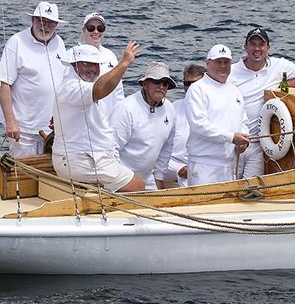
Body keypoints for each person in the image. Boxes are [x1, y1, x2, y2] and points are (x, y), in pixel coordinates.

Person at [51, 42, 145, 192]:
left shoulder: (76, 86)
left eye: (96, 65)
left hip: (82, 158)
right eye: (86, 64)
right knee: (137, 185)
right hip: (80, 160)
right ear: (74, 65)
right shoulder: (73, 87)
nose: (93, 69)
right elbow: (100, 89)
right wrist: (124, 63)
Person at [229, 27, 295, 179]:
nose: (257, 49)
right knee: (227, 184)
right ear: (245, 47)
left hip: (258, 144)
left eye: (261, 44)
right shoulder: (232, 71)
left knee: (250, 188)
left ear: (268, 48)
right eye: (252, 44)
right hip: (233, 142)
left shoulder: (279, 66)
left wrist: (282, 85)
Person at [0, 1, 69, 157]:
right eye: (41, 21)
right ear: (33, 20)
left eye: (51, 23)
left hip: (53, 129)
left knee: (49, 176)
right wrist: (10, 123)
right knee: (23, 175)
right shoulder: (16, 42)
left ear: (56, 25)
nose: (46, 26)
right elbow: (4, 84)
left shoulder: (59, 43)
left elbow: (64, 83)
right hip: (23, 129)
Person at [185, 45, 249, 186]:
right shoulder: (197, 89)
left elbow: (243, 121)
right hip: (204, 166)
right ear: (208, 63)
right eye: (218, 62)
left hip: (230, 165)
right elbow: (199, 125)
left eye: (226, 62)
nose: (222, 66)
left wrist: (244, 139)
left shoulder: (235, 91)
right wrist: (231, 138)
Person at [112, 62, 177, 190]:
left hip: (148, 177)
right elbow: (112, 148)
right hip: (121, 177)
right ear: (145, 84)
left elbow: (167, 148)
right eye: (157, 82)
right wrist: (119, 181)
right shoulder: (126, 108)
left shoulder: (170, 108)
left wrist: (158, 177)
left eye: (165, 83)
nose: (161, 86)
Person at [165, 64, 206, 188]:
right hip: (173, 166)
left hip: (204, 166)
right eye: (187, 84)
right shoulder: (173, 108)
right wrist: (178, 168)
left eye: (195, 84)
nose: (190, 88)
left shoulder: (216, 110)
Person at [79, 12, 125, 115]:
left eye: (100, 28)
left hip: (109, 121)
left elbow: (119, 92)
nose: (96, 31)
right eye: (91, 28)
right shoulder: (73, 56)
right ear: (83, 30)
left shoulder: (111, 56)